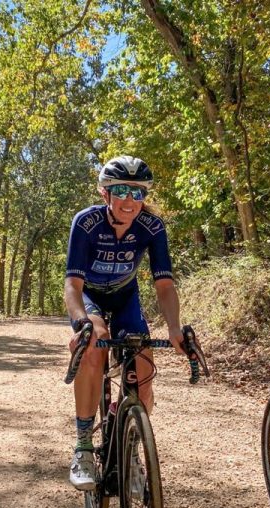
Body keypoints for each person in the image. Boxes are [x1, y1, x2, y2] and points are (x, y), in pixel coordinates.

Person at [64, 155, 186, 490]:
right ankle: (84, 447)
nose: (130, 201)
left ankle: (129, 443)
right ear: (105, 193)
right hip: (90, 299)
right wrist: (80, 323)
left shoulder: (152, 227)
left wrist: (174, 328)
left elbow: (164, 285)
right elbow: (72, 285)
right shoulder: (86, 223)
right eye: (121, 190)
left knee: (143, 371)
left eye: (138, 192)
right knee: (95, 344)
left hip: (125, 298)